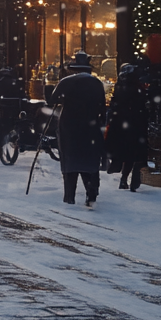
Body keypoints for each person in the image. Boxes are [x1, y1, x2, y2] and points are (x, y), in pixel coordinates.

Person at [50, 51, 107, 210]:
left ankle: (70, 196)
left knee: (70, 159)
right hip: (90, 126)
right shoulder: (96, 84)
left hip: (69, 126)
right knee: (90, 159)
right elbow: (102, 107)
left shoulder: (65, 82)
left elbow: (52, 99)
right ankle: (91, 193)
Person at [105, 63, 149, 191]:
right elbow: (142, 106)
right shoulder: (136, 89)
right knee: (135, 153)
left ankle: (124, 177)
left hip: (123, 125)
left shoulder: (120, 88)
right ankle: (132, 177)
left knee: (127, 152)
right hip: (136, 124)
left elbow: (115, 105)